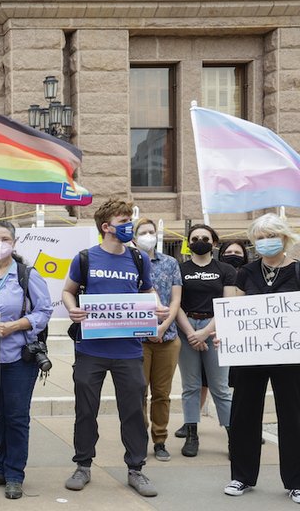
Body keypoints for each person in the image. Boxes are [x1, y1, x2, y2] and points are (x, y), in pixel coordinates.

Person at [62, 198, 169, 498]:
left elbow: (147, 289)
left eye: (129, 221)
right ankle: (83, 465)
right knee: (86, 411)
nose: (129, 227)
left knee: (133, 412)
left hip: (129, 350)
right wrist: (72, 309)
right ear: (107, 227)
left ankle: (136, 469)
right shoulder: (85, 258)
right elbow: (68, 291)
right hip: (91, 350)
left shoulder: (138, 258)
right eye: (123, 222)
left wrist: (157, 306)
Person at [0, 221, 52, 500]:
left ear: (14, 243)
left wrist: (15, 326)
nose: (0, 244)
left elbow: (44, 311)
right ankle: (1, 467)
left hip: (18, 357)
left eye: (5, 239)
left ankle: (15, 474)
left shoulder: (27, 275)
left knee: (16, 417)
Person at [223, 213, 300, 503]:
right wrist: (226, 334)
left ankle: (296, 481)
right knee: (244, 415)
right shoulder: (246, 272)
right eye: (261, 237)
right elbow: (234, 311)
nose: (266, 242)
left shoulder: (297, 270)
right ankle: (241, 477)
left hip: (290, 357)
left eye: (272, 236)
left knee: (293, 417)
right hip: (250, 355)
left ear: (285, 238)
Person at [175, 224, 234, 459]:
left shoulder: (226, 269)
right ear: (188, 243)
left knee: (220, 387)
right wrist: (191, 333)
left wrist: (206, 331)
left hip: (215, 328)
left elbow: (228, 303)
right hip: (186, 327)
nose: (200, 241)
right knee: (190, 386)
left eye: (205, 238)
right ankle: (192, 435)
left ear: (214, 243)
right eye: (195, 238)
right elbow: (176, 303)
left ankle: (234, 437)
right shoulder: (180, 269)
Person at [132, 219, 182, 463]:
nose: (148, 236)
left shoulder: (170, 263)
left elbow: (175, 300)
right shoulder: (129, 262)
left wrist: (162, 327)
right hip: (138, 339)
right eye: (143, 232)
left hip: (167, 337)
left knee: (162, 393)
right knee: (138, 392)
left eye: (151, 231)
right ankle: (138, 438)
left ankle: (160, 439)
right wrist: (148, 328)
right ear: (134, 237)